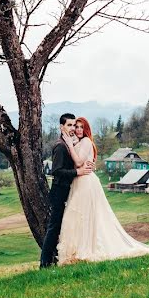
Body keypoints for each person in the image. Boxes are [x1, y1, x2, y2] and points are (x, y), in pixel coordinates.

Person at [56, 116, 149, 264]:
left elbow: (78, 161)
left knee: (85, 215)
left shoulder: (86, 141)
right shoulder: (79, 142)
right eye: (76, 127)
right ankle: (77, 250)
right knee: (78, 216)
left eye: (82, 127)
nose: (78, 130)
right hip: (79, 181)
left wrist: (70, 145)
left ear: (87, 129)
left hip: (86, 182)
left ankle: (86, 248)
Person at [39, 113, 94, 268]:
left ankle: (55, 260)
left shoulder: (69, 143)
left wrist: (89, 163)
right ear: (61, 127)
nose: (72, 128)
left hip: (67, 190)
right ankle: (44, 263)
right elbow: (56, 171)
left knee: (63, 226)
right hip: (59, 192)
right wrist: (77, 172)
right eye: (69, 125)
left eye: (74, 125)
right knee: (53, 227)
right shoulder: (60, 146)